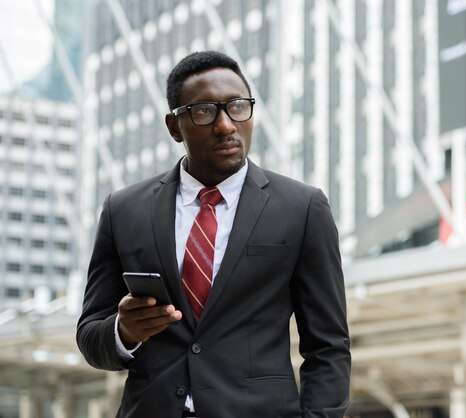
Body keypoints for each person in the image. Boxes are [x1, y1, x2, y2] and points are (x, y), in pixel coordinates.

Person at [76, 50, 351, 418]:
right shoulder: (123, 211)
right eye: (204, 111)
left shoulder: (302, 208)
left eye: (237, 106)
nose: (226, 125)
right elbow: (91, 336)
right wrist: (123, 332)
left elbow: (328, 347)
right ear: (174, 127)